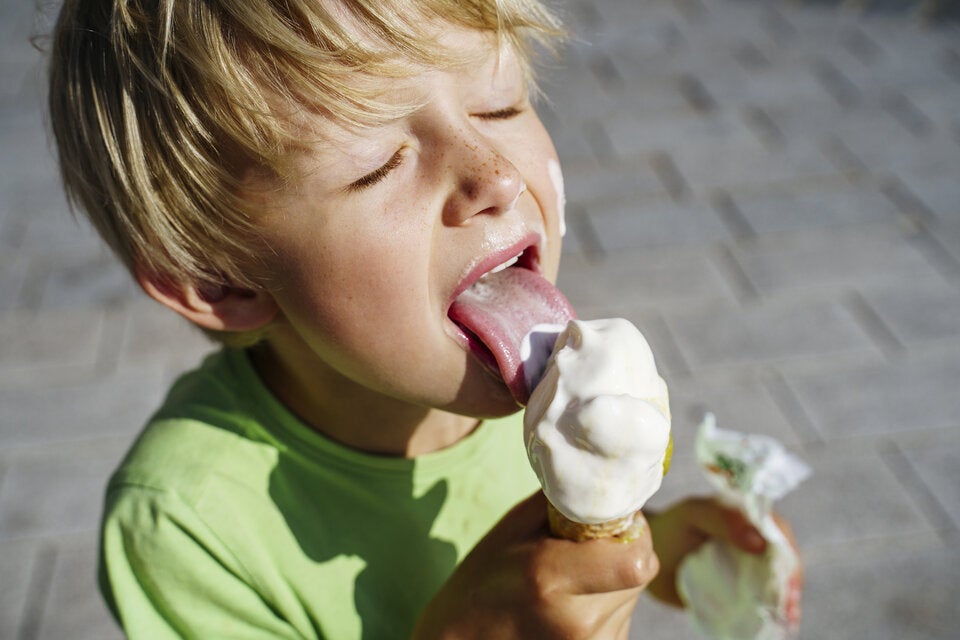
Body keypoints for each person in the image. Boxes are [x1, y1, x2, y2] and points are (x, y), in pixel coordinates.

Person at [48, 0, 800, 638]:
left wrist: (660, 551)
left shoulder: (545, 393)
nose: (495, 175)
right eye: (375, 164)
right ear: (223, 279)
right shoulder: (185, 526)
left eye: (498, 104)